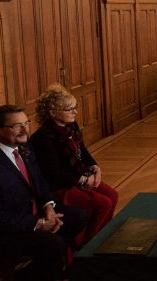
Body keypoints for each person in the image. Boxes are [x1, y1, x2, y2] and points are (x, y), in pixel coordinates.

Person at [0, 104, 87, 281]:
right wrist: (37, 223)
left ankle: (37, 275)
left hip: (28, 213)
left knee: (77, 216)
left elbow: (39, 180)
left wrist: (49, 207)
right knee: (54, 243)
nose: (25, 129)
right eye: (17, 126)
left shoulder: (23, 146)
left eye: (26, 123)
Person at [30, 85, 117, 247]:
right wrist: (84, 180)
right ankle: (88, 245)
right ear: (53, 112)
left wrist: (94, 166)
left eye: (74, 108)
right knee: (103, 204)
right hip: (59, 186)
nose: (75, 112)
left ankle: (101, 237)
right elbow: (54, 173)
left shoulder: (72, 126)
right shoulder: (43, 137)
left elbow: (82, 150)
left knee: (112, 196)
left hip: (77, 177)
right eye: (69, 109)